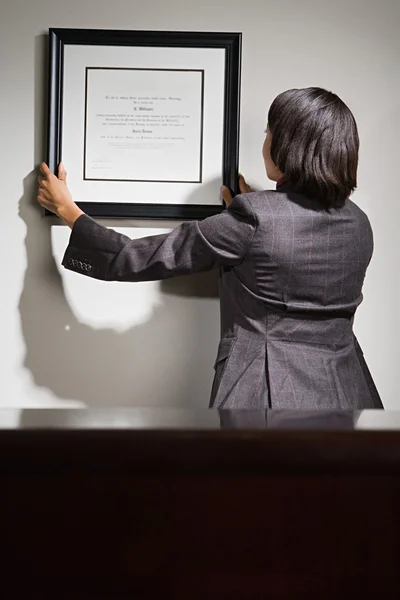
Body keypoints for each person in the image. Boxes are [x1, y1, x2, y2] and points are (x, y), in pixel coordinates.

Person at [37, 87, 383, 410]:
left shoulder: (254, 219)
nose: (265, 141)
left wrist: (68, 210)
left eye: (268, 132)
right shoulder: (359, 223)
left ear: (287, 146)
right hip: (349, 392)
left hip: (265, 398)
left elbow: (136, 257)